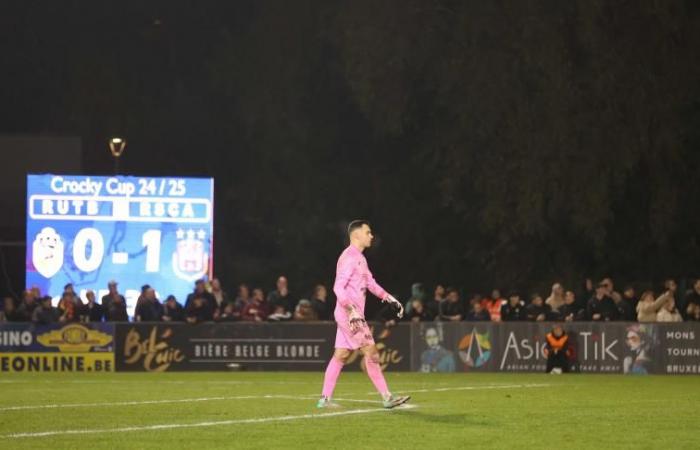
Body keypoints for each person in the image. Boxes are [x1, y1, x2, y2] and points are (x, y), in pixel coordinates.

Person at [318, 220, 409, 409]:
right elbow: (337, 287)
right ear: (357, 235)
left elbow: (371, 283)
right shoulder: (349, 257)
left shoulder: (360, 258)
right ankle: (387, 397)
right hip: (350, 315)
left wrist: (389, 298)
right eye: (368, 232)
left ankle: (324, 400)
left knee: (341, 354)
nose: (372, 236)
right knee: (372, 352)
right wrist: (351, 311)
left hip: (349, 314)